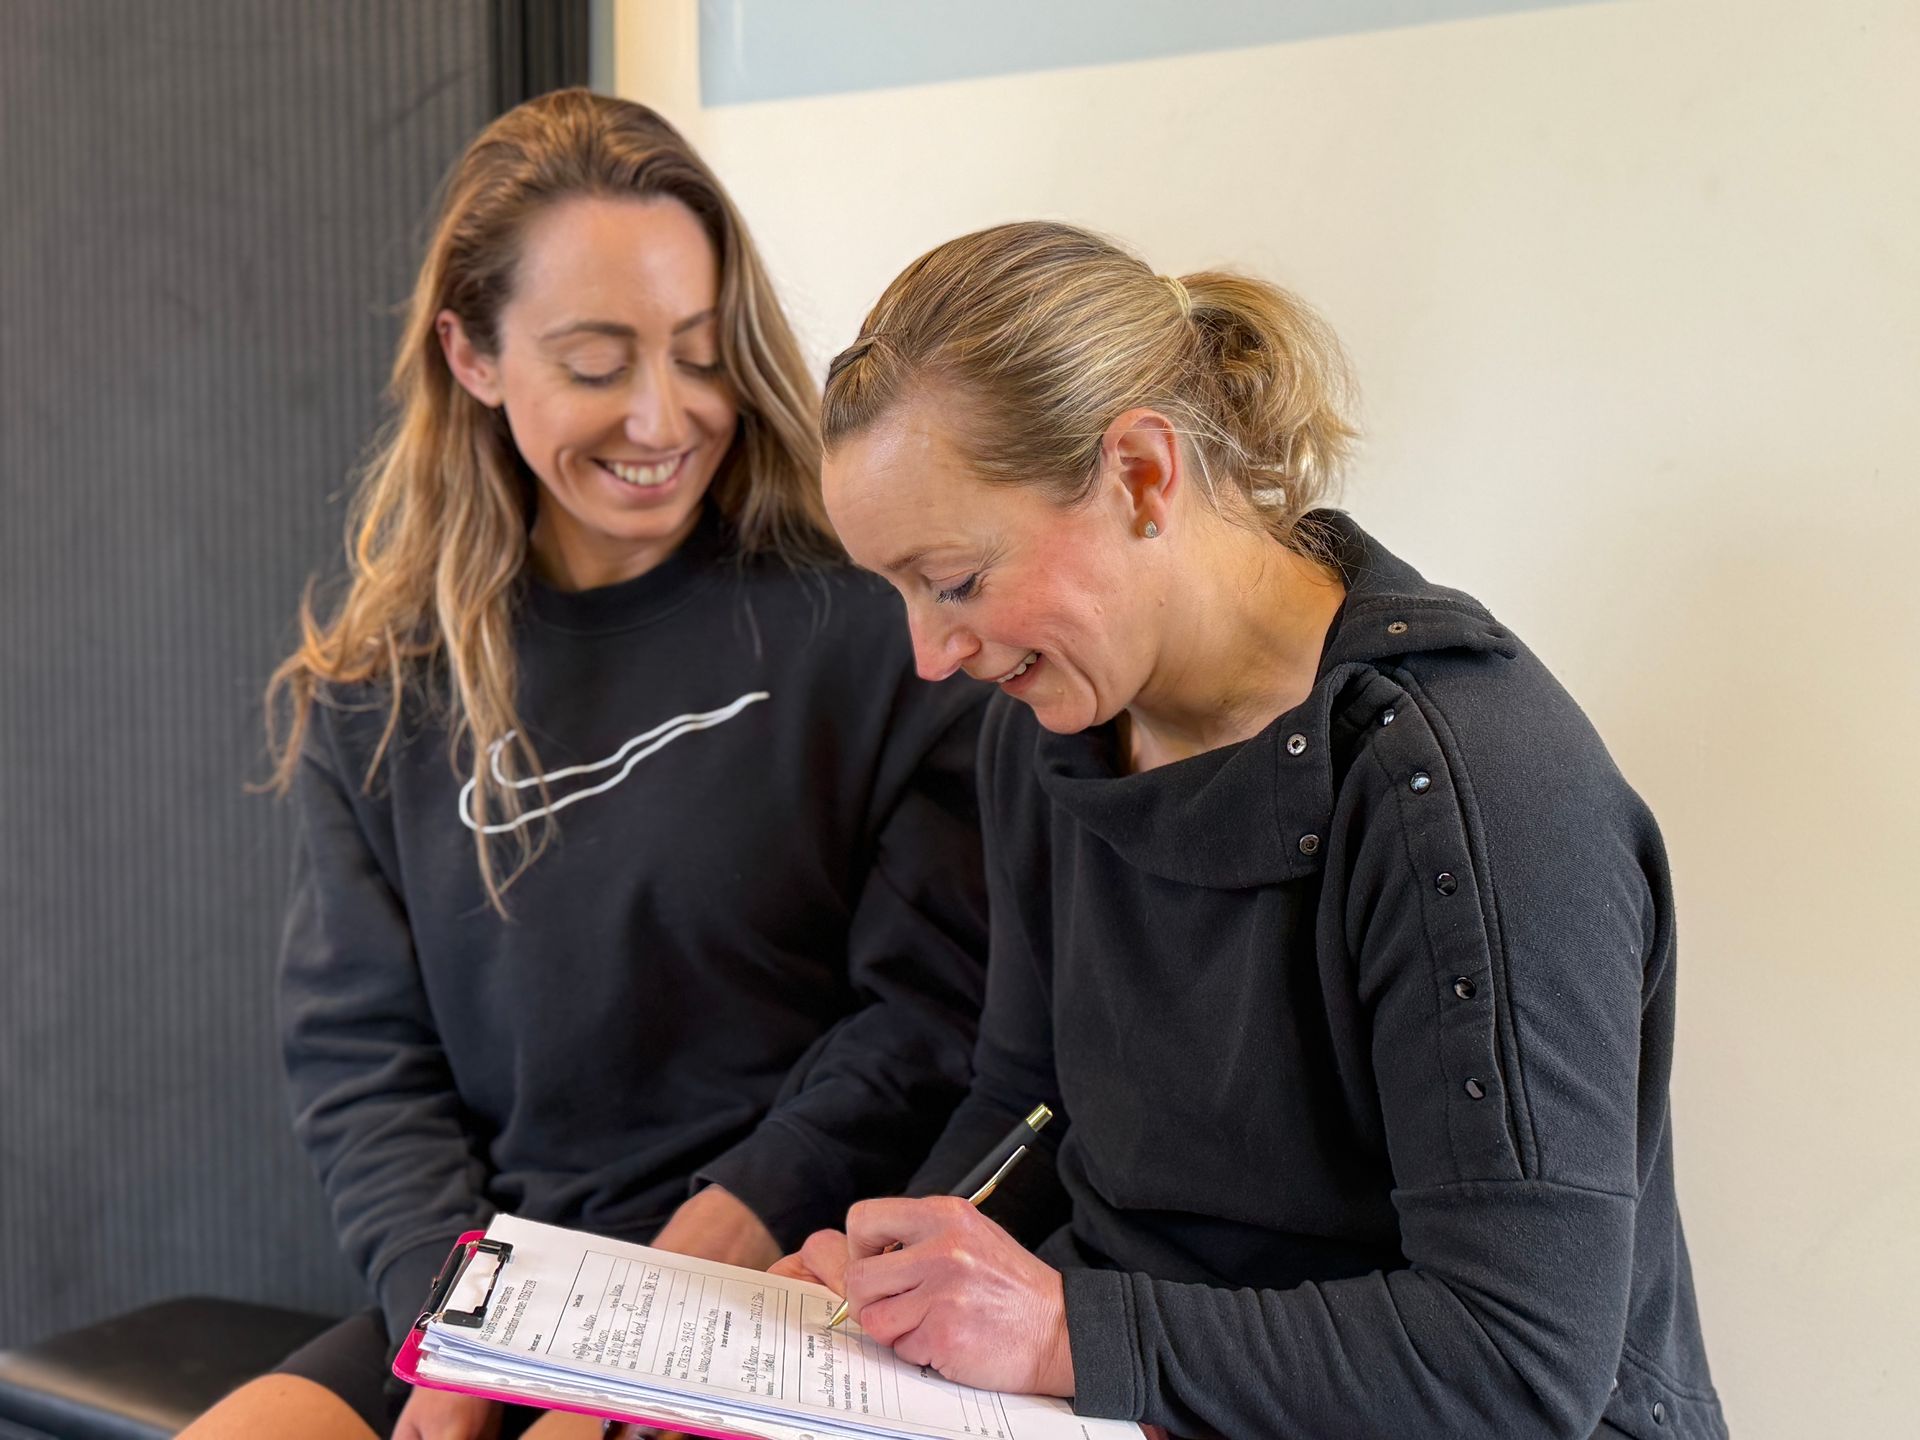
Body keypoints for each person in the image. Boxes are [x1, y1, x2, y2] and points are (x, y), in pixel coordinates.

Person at [779, 221, 1727, 1439]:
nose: (930, 654)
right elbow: (1028, 1100)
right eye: (898, 591)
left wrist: (1064, 1331)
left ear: (1140, 475)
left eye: (955, 579)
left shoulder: (1471, 791)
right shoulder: (1052, 725)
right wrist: (891, 1295)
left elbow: (1516, 1358)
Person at [181, 91, 989, 1440]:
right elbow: (364, 1061)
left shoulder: (865, 625)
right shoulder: (383, 691)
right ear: (475, 356)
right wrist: (451, 1329)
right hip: (502, 1278)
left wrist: (701, 1265)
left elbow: (928, 1016)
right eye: (598, 361)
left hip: (774, 1269)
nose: (664, 415)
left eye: (697, 351)